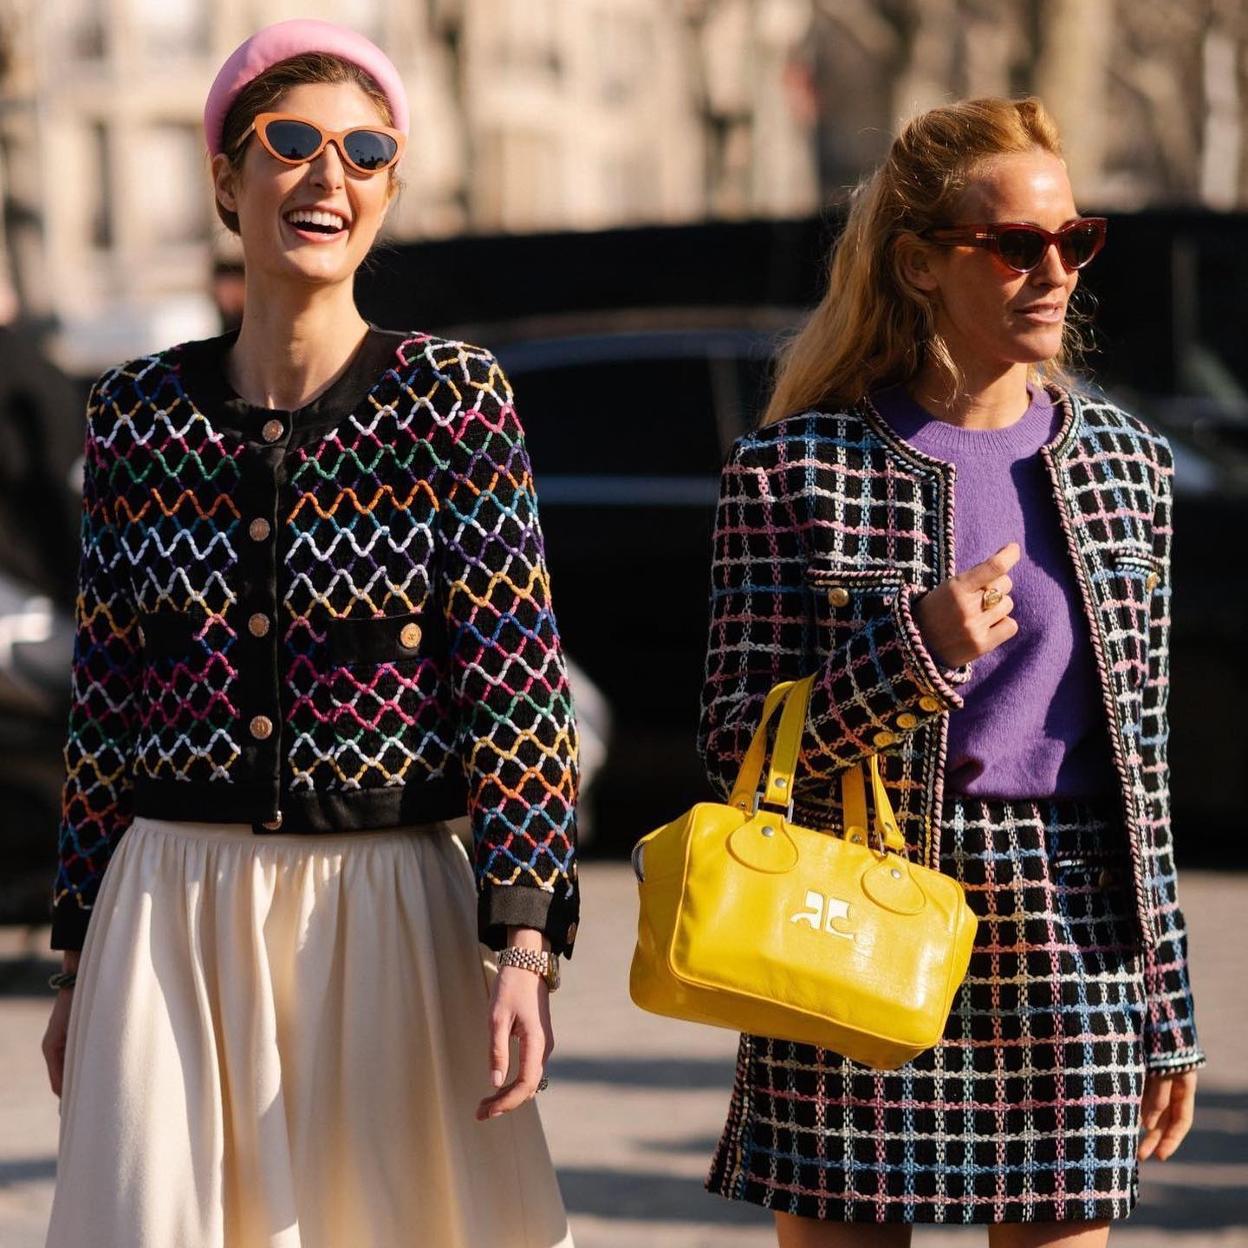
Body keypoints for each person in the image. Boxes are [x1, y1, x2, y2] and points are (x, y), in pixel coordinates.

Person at [41, 20, 578, 1248]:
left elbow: (518, 685)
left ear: (390, 185)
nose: (328, 176)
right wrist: (78, 956)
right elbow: (106, 699)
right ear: (227, 179)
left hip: (387, 908)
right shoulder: (135, 411)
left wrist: (526, 942)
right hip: (169, 909)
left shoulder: (454, 396)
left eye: (367, 150)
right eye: (291, 143)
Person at [697, 96, 1203, 1246]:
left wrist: (1166, 1010)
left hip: (1071, 929)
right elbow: (736, 746)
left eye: (1075, 241)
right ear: (921, 265)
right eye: (1016, 246)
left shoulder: (1128, 464)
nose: (1054, 270)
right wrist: (912, 653)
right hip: (852, 902)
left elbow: (1144, 763)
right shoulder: (796, 468)